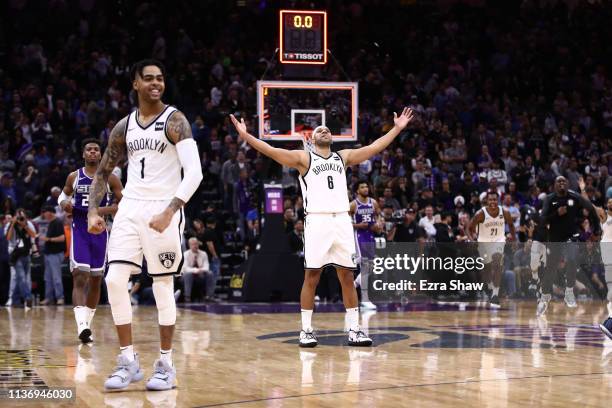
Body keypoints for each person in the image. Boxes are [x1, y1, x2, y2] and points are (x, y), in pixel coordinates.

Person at [230, 107, 415, 347]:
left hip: (341, 220)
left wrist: (397, 129)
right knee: (312, 276)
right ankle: (306, 330)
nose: (324, 131)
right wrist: (246, 136)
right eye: (319, 130)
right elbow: (271, 151)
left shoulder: (343, 157)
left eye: (327, 129)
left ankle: (355, 329)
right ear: (312, 139)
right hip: (317, 220)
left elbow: (374, 148)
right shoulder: (304, 158)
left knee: (347, 276)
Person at [87, 59, 202, 391]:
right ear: (135, 84)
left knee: (163, 285)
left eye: (160, 78)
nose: (156, 83)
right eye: (148, 79)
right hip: (131, 208)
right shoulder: (123, 127)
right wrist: (94, 210)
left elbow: (194, 173)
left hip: (163, 208)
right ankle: (128, 359)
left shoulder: (175, 120)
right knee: (114, 279)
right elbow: (103, 170)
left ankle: (166, 363)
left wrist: (171, 210)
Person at [58, 138, 123, 342]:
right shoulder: (74, 177)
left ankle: (88, 323)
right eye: (89, 149)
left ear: (100, 154)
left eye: (96, 149)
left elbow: (122, 205)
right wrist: (64, 204)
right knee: (80, 275)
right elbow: (62, 197)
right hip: (79, 228)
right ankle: (82, 325)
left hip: (100, 230)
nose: (93, 152)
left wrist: (98, 210)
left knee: (96, 279)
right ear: (83, 154)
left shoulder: (110, 178)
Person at [538, 176, 600, 314]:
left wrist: (597, 228)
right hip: (554, 238)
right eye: (558, 181)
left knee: (572, 259)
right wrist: (556, 214)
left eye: (564, 181)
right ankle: (544, 297)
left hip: (571, 236)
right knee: (551, 269)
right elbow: (542, 220)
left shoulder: (575, 197)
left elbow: (591, 209)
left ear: (567, 184)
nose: (561, 183)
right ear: (554, 185)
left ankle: (569, 292)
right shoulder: (549, 199)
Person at [468, 190, 515, 308]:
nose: (493, 202)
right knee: (487, 268)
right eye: (490, 200)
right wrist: (472, 239)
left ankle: (495, 294)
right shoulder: (480, 213)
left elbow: (511, 225)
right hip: (484, 242)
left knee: (497, 261)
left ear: (498, 200)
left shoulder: (504, 212)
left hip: (499, 240)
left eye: (495, 199)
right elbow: (469, 228)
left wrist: (513, 238)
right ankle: (488, 286)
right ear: (486, 201)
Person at [349, 180, 380, 310]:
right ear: (357, 190)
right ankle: (365, 300)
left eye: (367, 186)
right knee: (365, 267)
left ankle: (353, 284)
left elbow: (378, 218)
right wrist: (358, 225)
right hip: (358, 236)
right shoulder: (353, 205)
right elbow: (345, 223)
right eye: (362, 187)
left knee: (371, 267)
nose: (366, 188)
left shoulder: (373, 202)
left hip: (370, 235)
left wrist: (378, 225)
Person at [5, 209, 37, 308]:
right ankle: (28, 298)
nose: (20, 219)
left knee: (22, 278)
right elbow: (8, 238)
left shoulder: (28, 224)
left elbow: (33, 235)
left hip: (26, 253)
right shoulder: (10, 224)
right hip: (15, 255)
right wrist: (13, 224)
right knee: (21, 277)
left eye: (22, 217)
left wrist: (25, 226)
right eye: (19, 217)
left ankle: (15, 299)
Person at [39, 206, 66, 306]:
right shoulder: (51, 223)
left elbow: (62, 238)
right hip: (49, 254)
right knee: (48, 278)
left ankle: (60, 298)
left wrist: (48, 239)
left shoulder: (58, 222)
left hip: (55, 254)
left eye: (45, 212)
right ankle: (48, 298)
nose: (43, 215)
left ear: (50, 213)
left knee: (56, 277)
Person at [599, 197, 612, 338]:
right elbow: (588, 204)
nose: (611, 202)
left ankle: (610, 324)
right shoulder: (604, 217)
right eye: (609, 200)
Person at [181, 237, 209, 303]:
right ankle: (187, 296)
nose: (195, 246)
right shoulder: (185, 254)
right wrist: (196, 270)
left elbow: (207, 267)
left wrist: (201, 270)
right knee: (188, 274)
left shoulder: (203, 254)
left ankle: (209, 296)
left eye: (196, 244)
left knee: (209, 274)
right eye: (193, 244)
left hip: (200, 275)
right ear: (189, 245)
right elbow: (185, 268)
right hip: (186, 276)